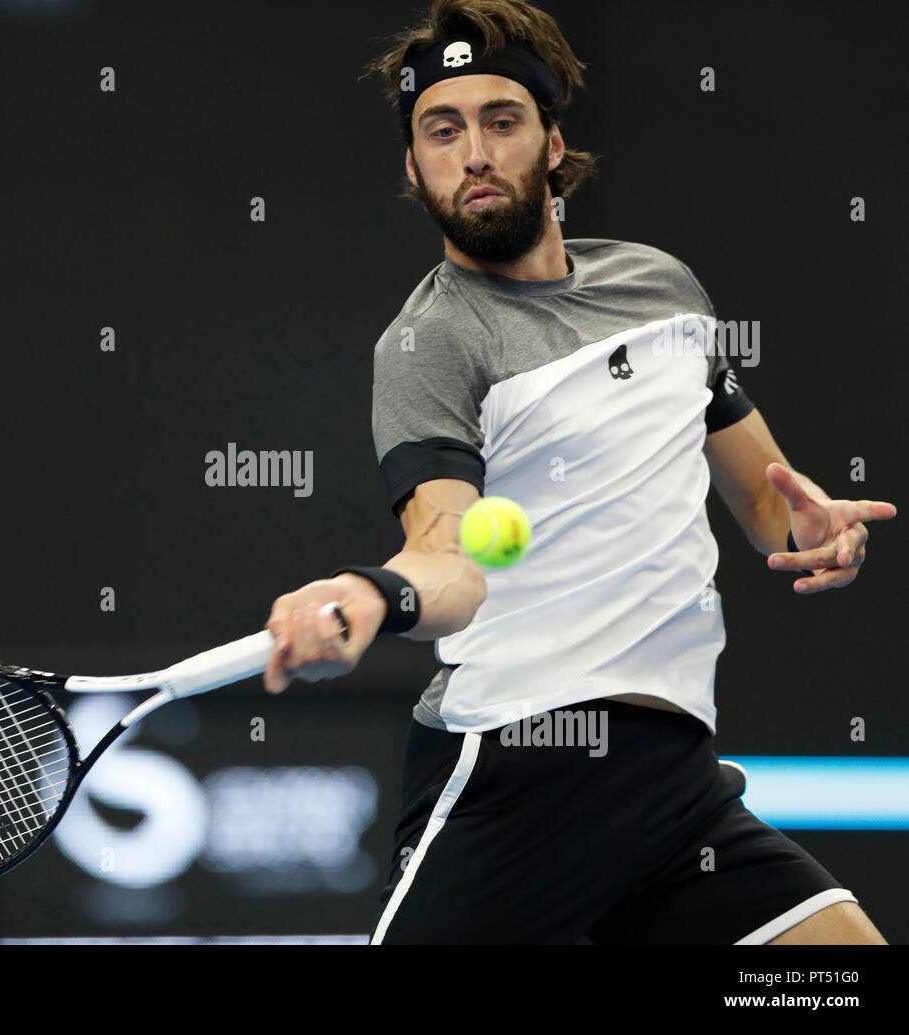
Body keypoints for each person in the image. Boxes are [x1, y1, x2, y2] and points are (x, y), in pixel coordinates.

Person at [261, 0, 896, 944]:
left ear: (553, 144)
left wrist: (807, 528)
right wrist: (370, 593)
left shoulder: (664, 288)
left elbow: (766, 495)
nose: (473, 152)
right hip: (518, 778)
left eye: (501, 121)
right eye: (442, 130)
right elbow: (451, 557)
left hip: (677, 787)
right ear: (413, 164)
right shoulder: (431, 343)